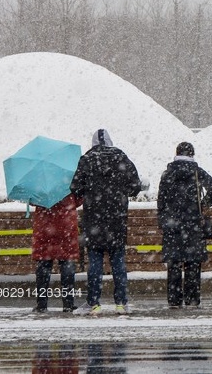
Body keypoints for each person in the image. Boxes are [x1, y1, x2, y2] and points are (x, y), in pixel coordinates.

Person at [69, 129, 143, 315]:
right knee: (118, 261)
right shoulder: (121, 157)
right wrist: (119, 190)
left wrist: (91, 191)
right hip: (116, 219)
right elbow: (135, 186)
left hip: (94, 219)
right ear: (110, 141)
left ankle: (93, 303)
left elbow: (75, 188)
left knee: (94, 262)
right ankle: (121, 303)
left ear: (93, 142)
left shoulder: (87, 159)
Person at [156, 141, 212, 308]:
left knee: (174, 263)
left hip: (173, 225)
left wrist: (164, 220)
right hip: (193, 224)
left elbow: (161, 201)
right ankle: (192, 299)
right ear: (192, 154)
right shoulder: (197, 172)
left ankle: (174, 300)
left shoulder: (167, 174)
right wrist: (204, 204)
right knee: (193, 263)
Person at [31, 193, 80, 313]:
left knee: (43, 267)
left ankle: (41, 304)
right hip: (66, 227)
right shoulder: (69, 180)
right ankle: (68, 304)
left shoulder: (39, 184)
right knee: (67, 267)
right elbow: (78, 201)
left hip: (44, 228)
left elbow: (32, 200)